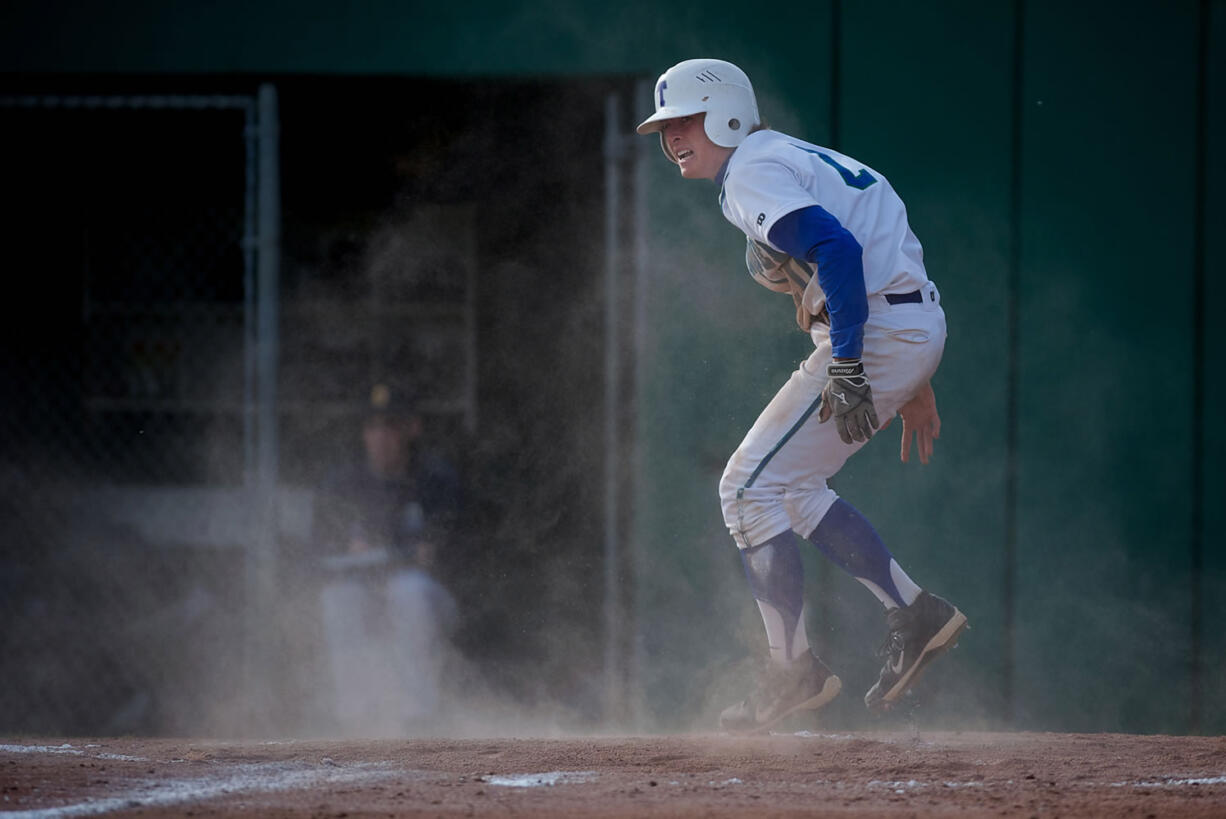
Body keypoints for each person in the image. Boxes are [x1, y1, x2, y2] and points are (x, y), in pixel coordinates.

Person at [636, 58, 968, 733]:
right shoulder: (785, 155)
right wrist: (915, 374)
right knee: (789, 488)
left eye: (685, 121)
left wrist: (850, 363)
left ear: (726, 111)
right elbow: (875, 245)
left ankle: (792, 672)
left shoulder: (752, 169)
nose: (672, 137)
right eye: (665, 128)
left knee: (743, 488)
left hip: (876, 334)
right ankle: (914, 609)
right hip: (902, 324)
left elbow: (840, 251)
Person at [312, 382, 462, 736]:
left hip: (429, 601)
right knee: (338, 598)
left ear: (412, 428)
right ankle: (355, 719)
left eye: (391, 426)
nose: (381, 437)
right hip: (365, 594)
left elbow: (452, 554)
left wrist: (419, 553)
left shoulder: (435, 479)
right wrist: (349, 553)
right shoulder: (342, 483)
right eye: (373, 427)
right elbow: (316, 554)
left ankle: (418, 718)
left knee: (408, 590)